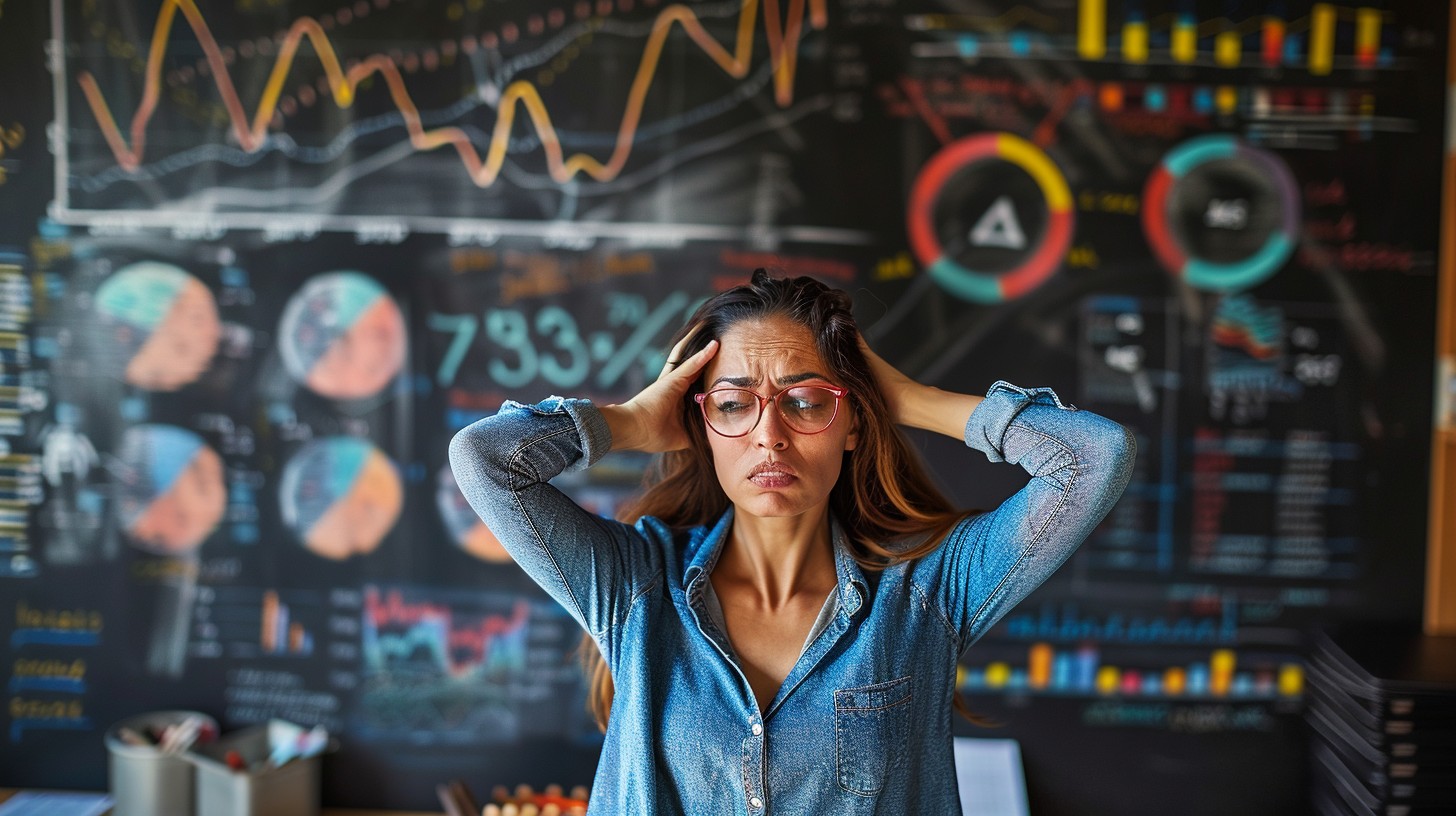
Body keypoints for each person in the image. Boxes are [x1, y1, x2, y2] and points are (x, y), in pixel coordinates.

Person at [449, 269, 1135, 814]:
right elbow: (484, 460)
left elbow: (1094, 458)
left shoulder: (926, 593)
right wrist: (627, 421)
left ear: (853, 423)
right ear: (700, 424)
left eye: (806, 401)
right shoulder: (635, 586)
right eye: (732, 403)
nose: (769, 434)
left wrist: (909, 399)